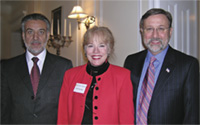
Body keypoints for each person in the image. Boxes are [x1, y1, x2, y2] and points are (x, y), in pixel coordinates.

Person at [124, 8, 199, 124]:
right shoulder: (131, 61)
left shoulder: (188, 65)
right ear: (142, 31)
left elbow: (192, 115)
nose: (155, 35)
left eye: (161, 29)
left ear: (170, 31)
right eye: (149, 29)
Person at [1, 13, 73, 124]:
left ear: (48, 35)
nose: (35, 37)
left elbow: (69, 107)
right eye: (30, 32)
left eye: (41, 32)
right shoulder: (6, 67)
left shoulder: (64, 66)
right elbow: (3, 108)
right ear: (23, 35)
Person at [57, 26, 134, 124]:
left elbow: (126, 118)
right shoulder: (70, 75)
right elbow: (63, 114)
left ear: (109, 49)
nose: (96, 51)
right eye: (90, 46)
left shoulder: (123, 76)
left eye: (101, 45)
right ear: (85, 50)